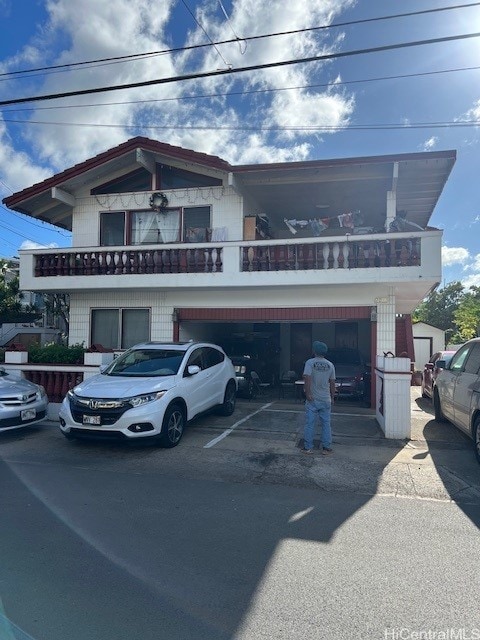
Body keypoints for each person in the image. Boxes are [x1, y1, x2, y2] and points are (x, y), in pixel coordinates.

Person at [302, 341, 336, 454]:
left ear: (314, 351)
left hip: (313, 399)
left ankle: (308, 447)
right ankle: (326, 448)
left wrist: (308, 393)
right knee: (326, 423)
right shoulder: (330, 364)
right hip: (326, 399)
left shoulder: (310, 363)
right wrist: (332, 397)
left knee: (310, 423)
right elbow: (332, 382)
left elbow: (307, 378)